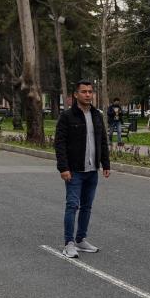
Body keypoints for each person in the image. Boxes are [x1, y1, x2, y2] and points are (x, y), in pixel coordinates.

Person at [54, 80, 111, 258]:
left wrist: (106, 164)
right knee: (72, 205)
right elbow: (60, 144)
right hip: (74, 170)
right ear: (76, 94)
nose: (88, 94)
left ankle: (81, 239)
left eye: (90, 91)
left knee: (87, 206)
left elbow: (102, 141)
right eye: (84, 91)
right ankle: (69, 243)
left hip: (92, 170)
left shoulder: (97, 115)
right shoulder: (67, 116)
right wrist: (63, 168)